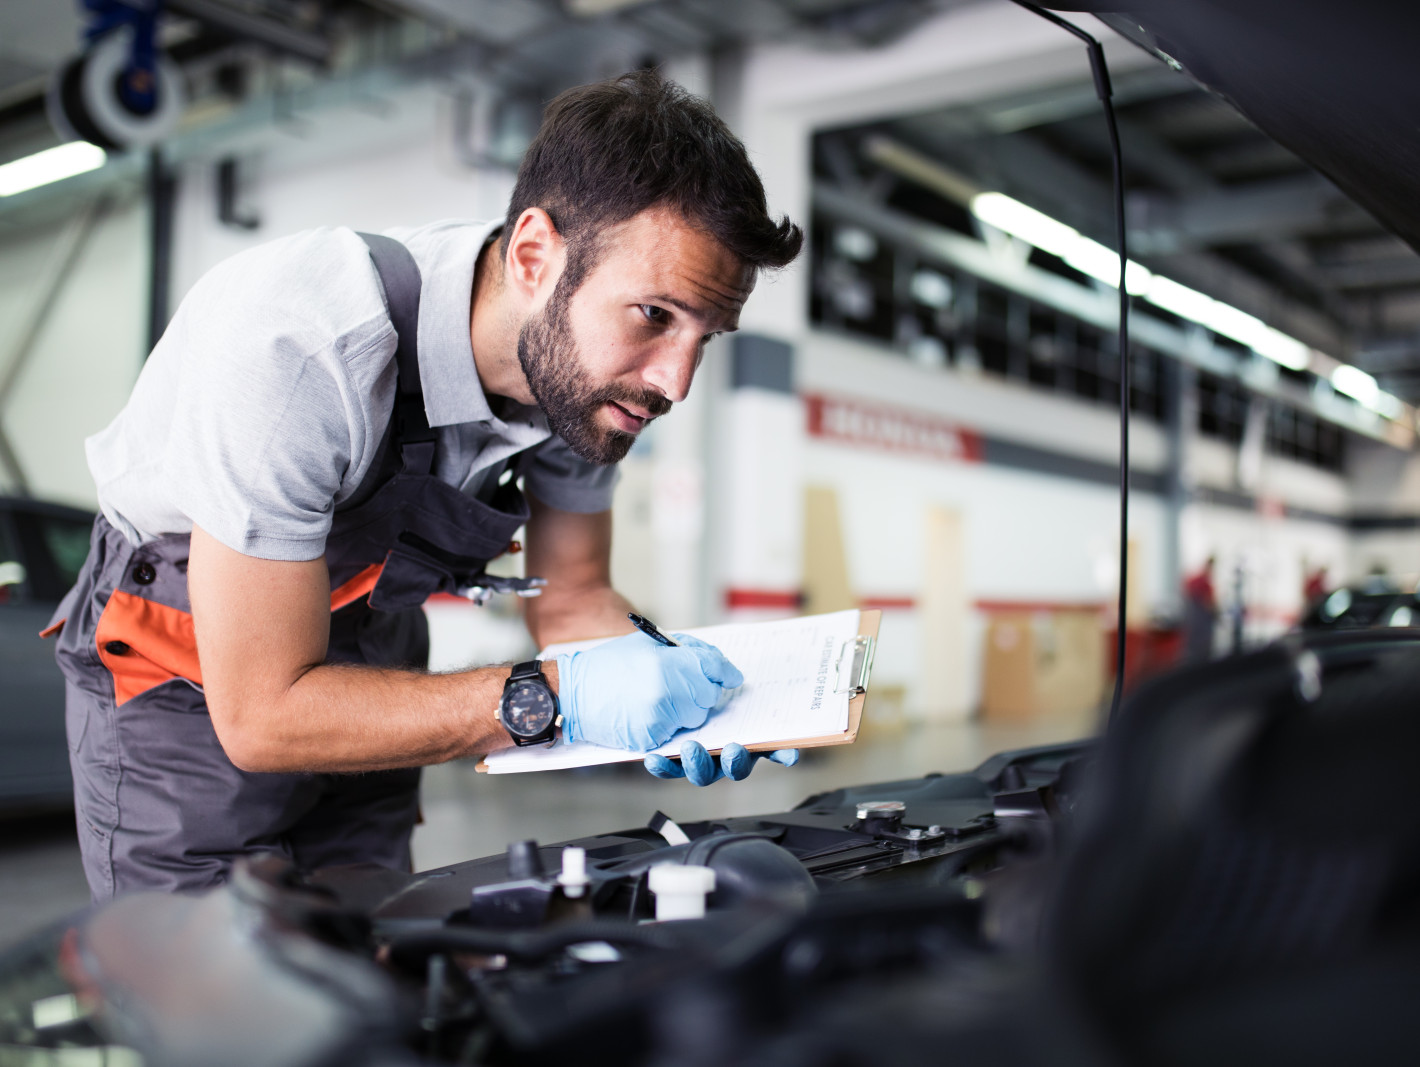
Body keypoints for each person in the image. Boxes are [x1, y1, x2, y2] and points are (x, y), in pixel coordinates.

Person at [46, 70, 804, 900]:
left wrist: (680, 689)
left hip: (374, 642)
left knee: (382, 955)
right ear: (533, 256)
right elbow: (261, 713)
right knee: (212, 994)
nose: (674, 382)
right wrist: (558, 698)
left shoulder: (586, 386)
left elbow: (576, 594)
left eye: (708, 335)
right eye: (655, 315)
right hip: (185, 667)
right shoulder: (298, 351)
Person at [1182, 555, 1218, 662]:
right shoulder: (1202, 581)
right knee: (1201, 648)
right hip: (1200, 622)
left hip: (1197, 621)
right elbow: (1208, 602)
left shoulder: (1199, 580)